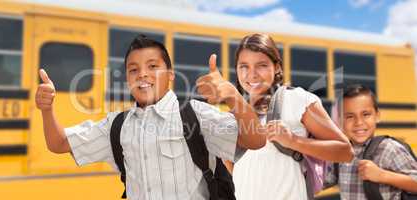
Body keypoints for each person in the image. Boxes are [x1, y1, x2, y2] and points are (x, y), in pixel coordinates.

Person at [35, 35, 266, 200]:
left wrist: (233, 96)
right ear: (127, 78)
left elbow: (256, 140)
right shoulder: (117, 126)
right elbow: (59, 143)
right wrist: (47, 109)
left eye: (153, 66)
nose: (142, 74)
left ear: (171, 75)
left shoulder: (195, 115)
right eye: (133, 69)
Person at [225, 33, 354, 200]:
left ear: (277, 67)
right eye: (244, 66)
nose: (252, 74)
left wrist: (293, 140)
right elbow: (237, 172)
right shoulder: (233, 115)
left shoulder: (297, 100)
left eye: (261, 65)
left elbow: (346, 151)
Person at [324, 84, 417, 200]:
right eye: (349, 117)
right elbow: (321, 182)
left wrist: (382, 175)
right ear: (340, 121)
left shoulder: (389, 148)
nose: (358, 122)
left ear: (377, 116)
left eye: (366, 114)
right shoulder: (341, 153)